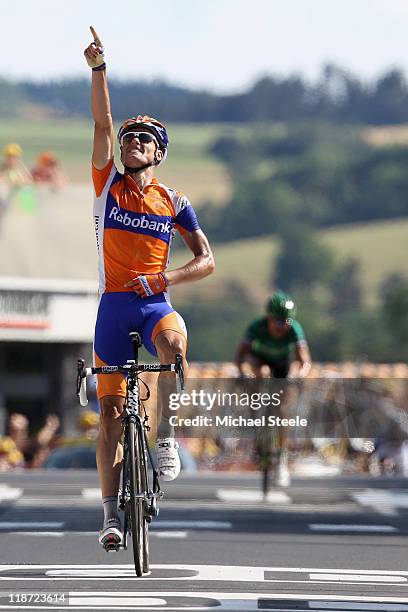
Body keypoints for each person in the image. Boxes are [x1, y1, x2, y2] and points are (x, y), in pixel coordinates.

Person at [83, 27, 215, 549]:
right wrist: (99, 69)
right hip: (112, 308)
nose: (131, 142)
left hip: (153, 303)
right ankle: (112, 516)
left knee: (174, 346)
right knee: (111, 415)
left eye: (144, 139)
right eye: (128, 137)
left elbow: (206, 260)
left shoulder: (174, 200)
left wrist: (167, 277)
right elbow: (101, 121)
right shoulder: (106, 185)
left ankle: (165, 438)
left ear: (158, 153)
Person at [235, 290, 312, 486]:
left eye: (286, 322)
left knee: (282, 410)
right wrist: (245, 374)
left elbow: (305, 362)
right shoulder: (257, 327)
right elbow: (240, 358)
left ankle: (282, 459)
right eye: (278, 322)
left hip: (282, 365)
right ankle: (255, 414)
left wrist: (297, 377)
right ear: (269, 318)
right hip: (259, 361)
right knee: (261, 371)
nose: (282, 327)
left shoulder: (295, 329)